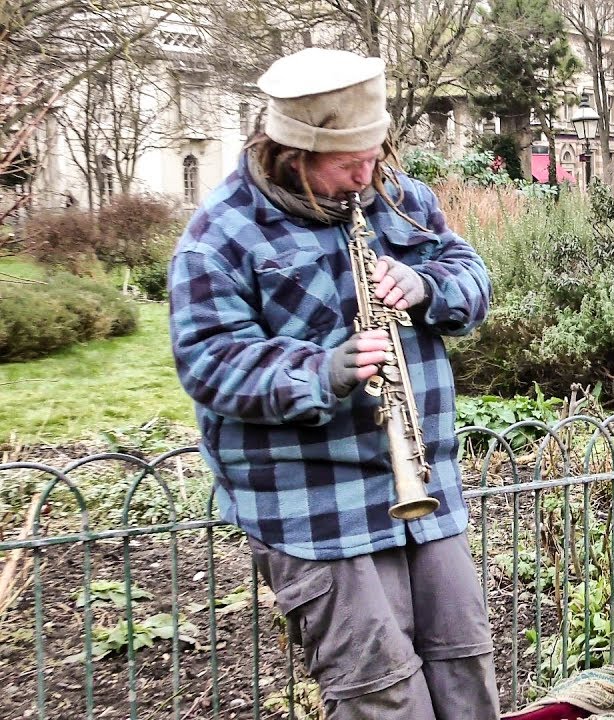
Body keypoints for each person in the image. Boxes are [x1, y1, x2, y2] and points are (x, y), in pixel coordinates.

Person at [168, 47, 498, 720]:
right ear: (296, 156)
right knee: (382, 697)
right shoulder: (220, 237)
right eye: (349, 162)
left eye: (374, 153)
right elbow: (207, 360)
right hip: (314, 508)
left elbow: (468, 270)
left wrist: (429, 285)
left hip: (425, 491)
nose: (368, 173)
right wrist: (322, 372)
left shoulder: (393, 197)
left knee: (466, 670)